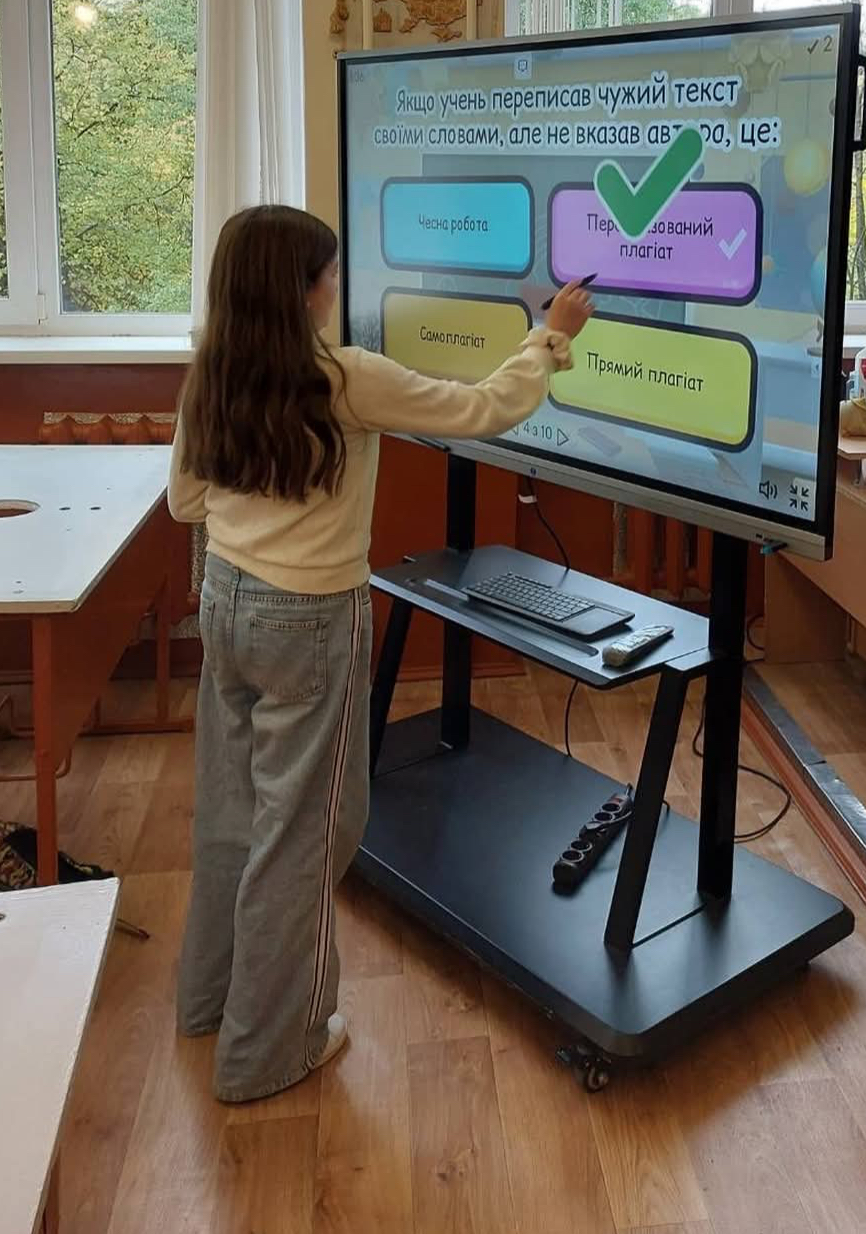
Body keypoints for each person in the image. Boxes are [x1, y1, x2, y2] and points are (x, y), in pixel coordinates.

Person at [168, 204, 592, 1103]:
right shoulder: (346, 378)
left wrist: (256, 512)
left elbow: (185, 502)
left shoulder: (211, 370)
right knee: (306, 834)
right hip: (309, 618)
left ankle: (208, 1004)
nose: (336, 286)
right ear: (302, 292)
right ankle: (266, 1052)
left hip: (225, 602)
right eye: (328, 273)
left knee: (231, 815)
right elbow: (481, 407)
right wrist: (550, 337)